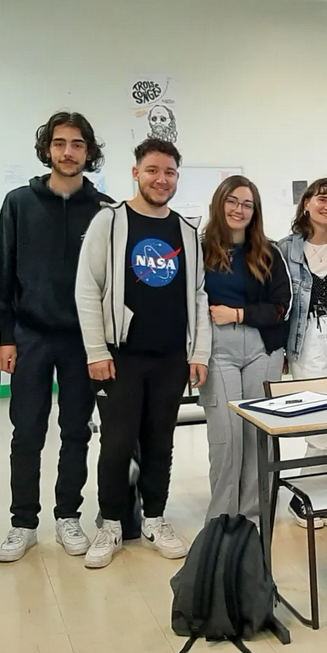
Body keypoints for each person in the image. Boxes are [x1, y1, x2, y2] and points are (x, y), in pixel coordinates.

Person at [75, 138, 209, 568]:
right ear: (136, 173)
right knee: (115, 445)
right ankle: (111, 523)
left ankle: (155, 518)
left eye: (169, 172)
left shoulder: (186, 233)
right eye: (152, 170)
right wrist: (96, 349)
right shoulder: (110, 222)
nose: (161, 179)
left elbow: (200, 295)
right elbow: (87, 289)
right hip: (121, 356)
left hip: (170, 356)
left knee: (160, 443)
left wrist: (198, 354)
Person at [0, 111, 113, 563]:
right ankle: (23, 522)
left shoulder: (104, 210)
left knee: (77, 431)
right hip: (30, 336)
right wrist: (6, 337)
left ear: (88, 152)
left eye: (77, 144)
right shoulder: (18, 203)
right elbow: (2, 273)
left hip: (84, 341)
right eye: (60, 143)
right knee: (26, 432)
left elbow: (110, 283)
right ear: (47, 148)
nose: (68, 152)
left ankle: (68, 516)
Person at [201, 176, 291, 525]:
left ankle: (254, 514)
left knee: (257, 434)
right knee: (226, 435)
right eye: (233, 201)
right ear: (219, 203)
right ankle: (222, 517)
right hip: (217, 349)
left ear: (255, 211)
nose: (239, 209)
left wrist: (238, 314)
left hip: (261, 348)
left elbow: (281, 307)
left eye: (247, 204)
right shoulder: (200, 249)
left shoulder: (268, 251)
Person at [277, 178, 327, 529]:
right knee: (318, 418)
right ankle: (304, 496)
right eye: (322, 199)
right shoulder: (286, 248)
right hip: (305, 334)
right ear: (306, 204)